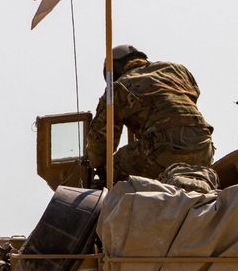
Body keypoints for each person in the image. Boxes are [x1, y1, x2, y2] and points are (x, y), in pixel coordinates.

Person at [86, 45, 215, 183]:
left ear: (114, 70)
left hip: (162, 152)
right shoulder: (177, 70)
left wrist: (99, 167)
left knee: (110, 169)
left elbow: (100, 142)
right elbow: (192, 98)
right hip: (204, 149)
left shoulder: (117, 88)